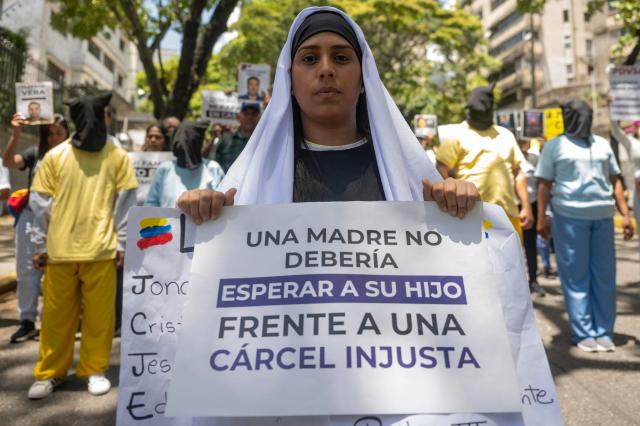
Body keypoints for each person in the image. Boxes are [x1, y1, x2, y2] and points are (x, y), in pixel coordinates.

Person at [174, 8, 485, 425]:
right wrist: (204, 214)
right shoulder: (248, 186)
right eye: (309, 58)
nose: (325, 70)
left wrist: (456, 205)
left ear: (362, 78)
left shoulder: (411, 182)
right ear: (289, 78)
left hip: (397, 399)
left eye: (341, 58)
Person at [27, 93, 138, 399]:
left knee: (100, 318)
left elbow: (126, 202)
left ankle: (95, 369)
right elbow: (39, 204)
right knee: (55, 318)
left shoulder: (117, 156)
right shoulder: (55, 157)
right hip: (60, 252)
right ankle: (50, 373)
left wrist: (122, 242)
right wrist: (42, 243)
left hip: (101, 250)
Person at [535, 99, 634, 353]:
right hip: (569, 218)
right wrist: (541, 218)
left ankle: (603, 331)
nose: (584, 119)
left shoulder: (601, 144)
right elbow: (544, 185)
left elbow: (616, 180)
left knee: (604, 275)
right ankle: (583, 332)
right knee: (576, 276)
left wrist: (625, 214)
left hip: (602, 217)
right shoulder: (555, 146)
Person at [3, 113, 70, 343]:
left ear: (67, 134)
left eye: (58, 133)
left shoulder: (76, 158)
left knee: (59, 273)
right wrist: (16, 134)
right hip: (30, 220)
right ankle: (27, 321)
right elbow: (9, 162)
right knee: (26, 272)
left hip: (61, 221)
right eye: (49, 133)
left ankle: (54, 323)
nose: (54, 138)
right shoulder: (35, 154)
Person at [436, 84, 533, 240]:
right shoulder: (456, 134)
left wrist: (526, 206)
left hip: (507, 215)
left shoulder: (506, 135)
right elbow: (441, 167)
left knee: (511, 263)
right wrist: (453, 195)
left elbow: (518, 174)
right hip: (471, 214)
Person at [145, 121, 225, 208]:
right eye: (181, 146)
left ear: (198, 143)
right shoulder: (164, 169)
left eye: (191, 144)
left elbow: (225, 203)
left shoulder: (213, 168)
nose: (186, 150)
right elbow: (150, 204)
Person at [518, 137, 546, 296]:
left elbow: (542, 183)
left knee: (531, 245)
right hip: (514, 206)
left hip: (532, 206)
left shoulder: (535, 159)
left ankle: (533, 279)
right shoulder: (507, 158)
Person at [214, 102, 260, 172]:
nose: (250, 117)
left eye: (254, 114)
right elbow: (214, 164)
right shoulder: (226, 138)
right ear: (238, 117)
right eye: (246, 113)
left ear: (260, 118)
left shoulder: (264, 142)